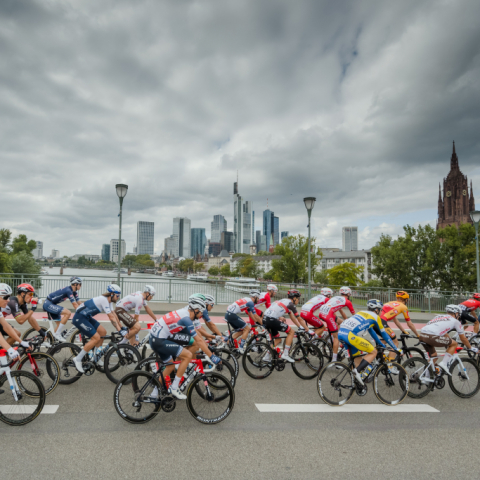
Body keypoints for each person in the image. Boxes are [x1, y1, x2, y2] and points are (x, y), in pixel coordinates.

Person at [149, 297, 221, 400]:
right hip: (159, 340)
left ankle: (154, 394)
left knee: (170, 367)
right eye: (201, 312)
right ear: (195, 310)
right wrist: (211, 356)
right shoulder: (186, 319)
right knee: (187, 355)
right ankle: (174, 388)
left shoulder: (184, 313)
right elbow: (199, 341)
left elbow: (198, 336)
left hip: (156, 338)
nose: (201, 315)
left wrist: (211, 341)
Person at [338, 299, 401, 379]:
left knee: (357, 357)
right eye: (381, 309)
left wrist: (380, 343)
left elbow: (371, 331)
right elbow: (384, 334)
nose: (381, 311)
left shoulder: (361, 312)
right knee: (373, 352)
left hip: (341, 333)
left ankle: (358, 381)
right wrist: (395, 348)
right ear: (377, 310)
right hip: (350, 336)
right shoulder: (376, 317)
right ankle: (357, 371)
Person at [71, 284, 123, 373]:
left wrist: (121, 327)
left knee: (102, 332)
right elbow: (110, 317)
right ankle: (78, 359)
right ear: (112, 294)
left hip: (86, 317)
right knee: (96, 338)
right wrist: (119, 331)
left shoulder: (109, 301)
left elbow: (113, 314)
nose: (118, 297)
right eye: (117, 295)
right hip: (79, 318)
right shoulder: (104, 300)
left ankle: (96, 356)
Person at [419, 305, 477, 375]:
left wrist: (449, 341)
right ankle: (444, 363)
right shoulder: (456, 321)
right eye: (459, 315)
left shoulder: (438, 316)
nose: (458, 317)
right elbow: (463, 338)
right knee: (454, 344)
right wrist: (471, 348)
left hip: (422, 335)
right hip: (431, 337)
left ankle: (427, 378)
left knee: (434, 356)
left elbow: (443, 332)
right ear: (456, 313)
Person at [262, 289, 307, 363]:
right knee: (291, 332)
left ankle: (266, 356)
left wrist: (299, 326)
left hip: (265, 319)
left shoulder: (284, 300)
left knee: (278, 339)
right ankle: (285, 354)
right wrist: (307, 330)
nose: (298, 301)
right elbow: (299, 319)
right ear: (294, 298)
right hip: (271, 320)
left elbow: (292, 317)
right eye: (298, 299)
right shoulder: (291, 304)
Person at [318, 286, 355, 361]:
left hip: (322, 312)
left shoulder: (336, 297)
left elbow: (341, 312)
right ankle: (334, 360)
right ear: (348, 294)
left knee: (341, 322)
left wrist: (346, 321)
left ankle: (330, 336)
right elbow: (354, 315)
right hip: (328, 315)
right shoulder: (347, 301)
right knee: (336, 337)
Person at [42, 276, 82, 342]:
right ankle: (57, 334)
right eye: (80, 284)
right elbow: (75, 305)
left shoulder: (74, 291)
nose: (81, 286)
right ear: (75, 284)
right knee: (68, 313)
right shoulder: (68, 290)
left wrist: (86, 309)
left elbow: (79, 302)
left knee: (59, 324)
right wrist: (82, 312)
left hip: (52, 304)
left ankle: (51, 341)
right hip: (48, 303)